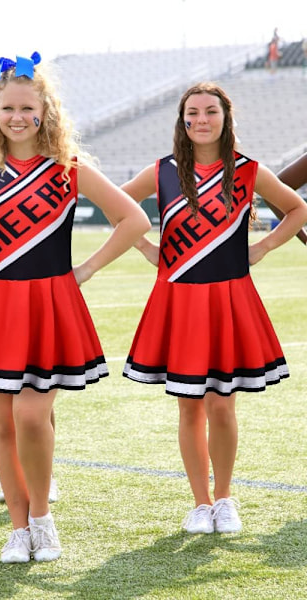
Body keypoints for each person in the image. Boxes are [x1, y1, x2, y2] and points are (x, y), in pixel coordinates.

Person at [0, 52, 151, 563]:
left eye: (26, 108)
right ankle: (17, 529)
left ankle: (42, 517)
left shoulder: (68, 167)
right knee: (3, 424)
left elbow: (133, 220)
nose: (16, 117)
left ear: (45, 110)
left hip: (49, 306)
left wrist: (84, 270)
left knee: (33, 415)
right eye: (7, 107)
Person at [121, 82, 307, 535]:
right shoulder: (162, 171)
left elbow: (296, 208)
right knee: (189, 408)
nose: (201, 120)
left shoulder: (247, 171)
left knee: (223, 405)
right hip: (179, 297)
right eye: (192, 113)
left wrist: (261, 249)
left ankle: (225, 497)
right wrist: (147, 248)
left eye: (210, 112)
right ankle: (199, 503)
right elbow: (119, 207)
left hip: (228, 296)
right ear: (182, 121)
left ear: (226, 119)